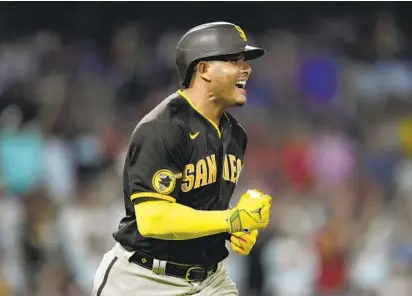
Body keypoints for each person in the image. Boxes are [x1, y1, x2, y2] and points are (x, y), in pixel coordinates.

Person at [91, 21, 271, 296]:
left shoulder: (235, 135)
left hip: (209, 281)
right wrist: (229, 220)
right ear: (203, 69)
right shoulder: (163, 128)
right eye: (234, 60)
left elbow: (200, 206)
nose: (245, 68)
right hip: (143, 279)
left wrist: (233, 230)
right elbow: (154, 219)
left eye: (244, 60)